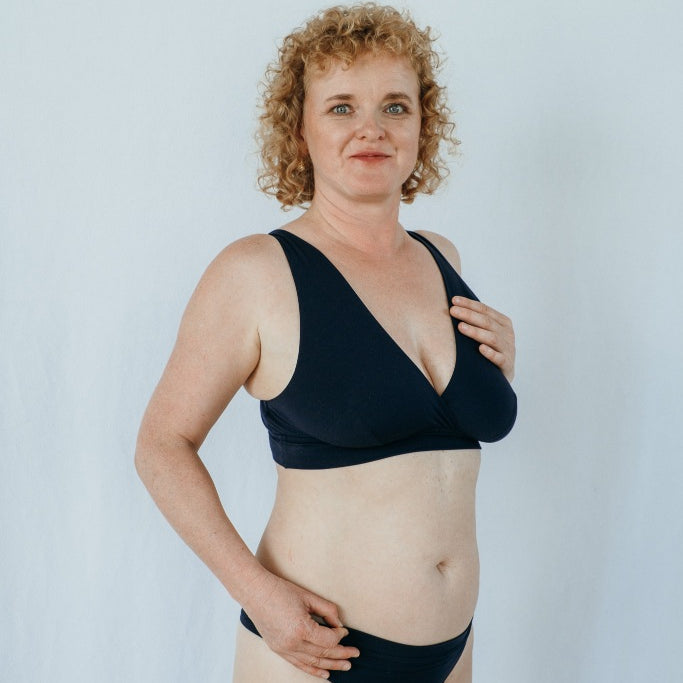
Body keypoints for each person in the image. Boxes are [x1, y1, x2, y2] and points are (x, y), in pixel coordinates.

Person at [135, 3, 517, 682]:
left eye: (395, 106)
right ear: (300, 129)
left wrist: (499, 366)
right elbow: (161, 445)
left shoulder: (442, 257)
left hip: (453, 650)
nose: (372, 128)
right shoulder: (256, 272)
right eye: (341, 107)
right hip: (315, 651)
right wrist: (258, 594)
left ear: (422, 125)